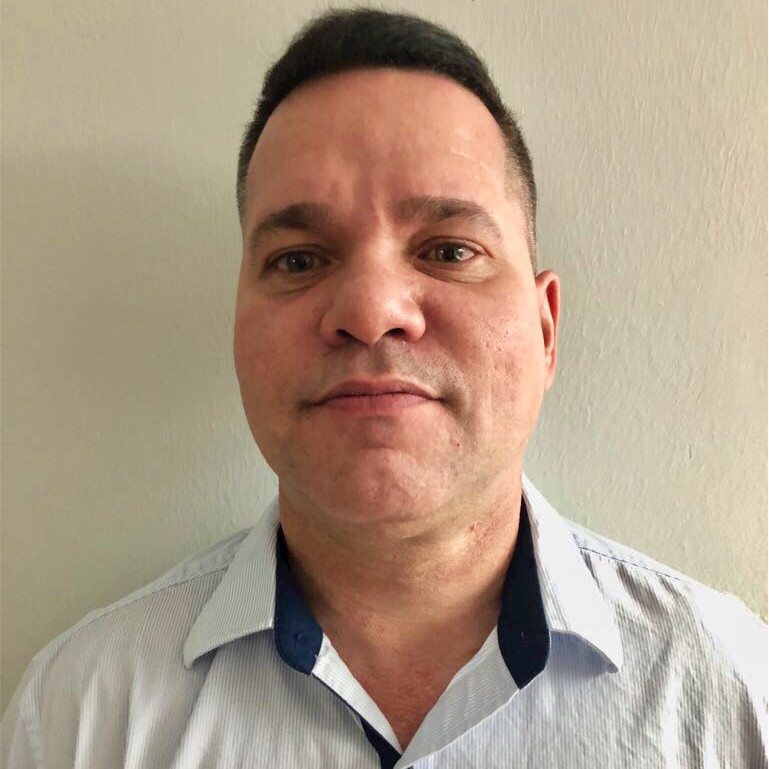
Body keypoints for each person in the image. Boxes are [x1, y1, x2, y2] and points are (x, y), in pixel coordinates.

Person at [2, 8, 766, 769]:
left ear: (544, 329)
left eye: (448, 250)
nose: (370, 311)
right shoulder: (79, 715)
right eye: (298, 260)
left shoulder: (733, 692)